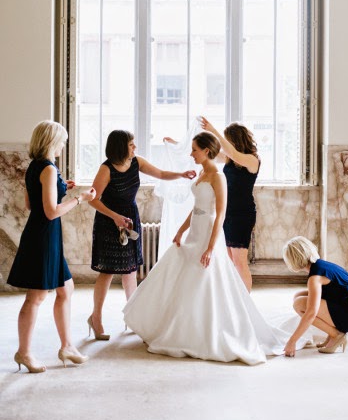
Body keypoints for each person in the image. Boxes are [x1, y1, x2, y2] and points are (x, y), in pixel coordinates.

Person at [123, 132, 306, 365]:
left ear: (206, 151)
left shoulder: (218, 177)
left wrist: (210, 248)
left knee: (204, 276)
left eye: (194, 150)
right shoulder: (201, 173)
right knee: (181, 273)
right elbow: (197, 207)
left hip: (208, 232)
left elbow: (220, 214)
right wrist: (180, 230)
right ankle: (175, 326)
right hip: (195, 229)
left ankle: (204, 331)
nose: (191, 154)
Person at [87, 129, 196, 340]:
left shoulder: (137, 162)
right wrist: (115, 217)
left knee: (130, 270)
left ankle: (132, 317)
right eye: (131, 144)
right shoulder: (106, 169)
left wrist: (181, 175)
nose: (135, 147)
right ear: (120, 147)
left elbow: (161, 174)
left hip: (130, 218)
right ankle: (96, 318)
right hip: (109, 222)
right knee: (107, 272)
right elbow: (93, 199)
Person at [7, 120, 96, 372]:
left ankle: (67, 346)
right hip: (43, 238)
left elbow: (30, 204)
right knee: (36, 297)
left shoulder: (36, 167)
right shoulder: (48, 169)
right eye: (62, 141)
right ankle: (24, 353)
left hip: (42, 235)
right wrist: (80, 198)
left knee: (66, 289)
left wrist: (60, 188)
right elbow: (51, 212)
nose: (63, 146)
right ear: (52, 141)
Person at [200, 117, 259, 291]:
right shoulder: (229, 158)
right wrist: (178, 145)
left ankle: (245, 300)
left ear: (235, 140)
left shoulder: (252, 160)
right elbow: (208, 154)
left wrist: (213, 130)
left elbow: (233, 153)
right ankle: (236, 296)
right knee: (230, 260)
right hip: (227, 213)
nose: (225, 144)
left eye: (227, 140)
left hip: (243, 215)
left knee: (240, 261)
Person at [282, 236, 348, 357]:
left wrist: (292, 341)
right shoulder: (320, 265)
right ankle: (332, 333)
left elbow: (311, 313)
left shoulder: (315, 277)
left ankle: (336, 335)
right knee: (299, 295)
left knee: (299, 304)